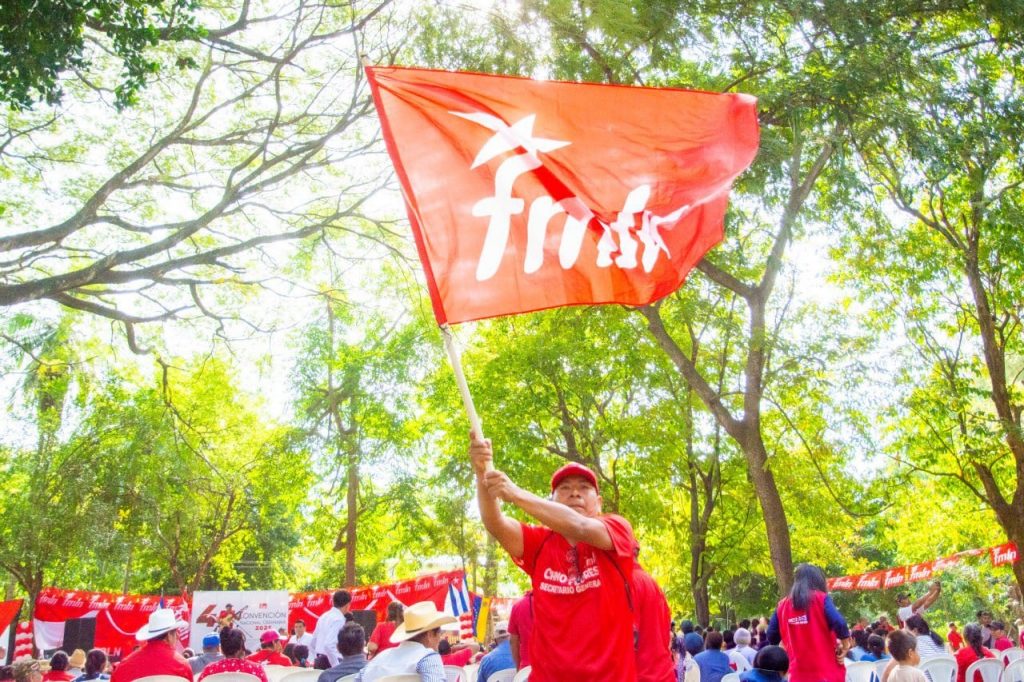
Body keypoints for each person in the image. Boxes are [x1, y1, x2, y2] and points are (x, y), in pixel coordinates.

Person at [471, 435, 638, 682]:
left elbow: (581, 526)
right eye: (565, 489)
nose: (574, 494)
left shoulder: (616, 529)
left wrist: (515, 493)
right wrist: (482, 473)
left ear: (599, 503)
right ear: (551, 501)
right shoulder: (539, 543)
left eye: (584, 488)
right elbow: (495, 522)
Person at [767, 563, 852, 682]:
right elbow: (840, 623)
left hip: (797, 674)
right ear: (819, 581)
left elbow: (771, 635)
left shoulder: (782, 605)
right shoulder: (821, 598)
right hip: (827, 674)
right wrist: (845, 645)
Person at [355, 600, 452, 682]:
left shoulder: (378, 659)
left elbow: (357, 678)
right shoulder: (427, 657)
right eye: (440, 632)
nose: (441, 637)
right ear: (430, 634)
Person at [110, 608, 193, 682]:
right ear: (169, 636)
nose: (178, 637)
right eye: (176, 633)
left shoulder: (122, 668)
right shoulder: (182, 665)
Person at [632, 557, 676, 682]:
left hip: (642, 675)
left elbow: (627, 639)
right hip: (662, 673)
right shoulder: (652, 583)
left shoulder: (628, 581)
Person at [311, 591, 353, 668]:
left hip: (319, 660)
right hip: (331, 661)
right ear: (347, 605)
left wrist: (317, 657)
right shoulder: (339, 619)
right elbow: (329, 645)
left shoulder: (324, 616)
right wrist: (336, 665)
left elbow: (313, 641)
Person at [508, 591, 533, 670]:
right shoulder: (562, 603)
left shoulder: (519, 605)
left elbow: (513, 641)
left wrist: (519, 670)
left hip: (526, 671)